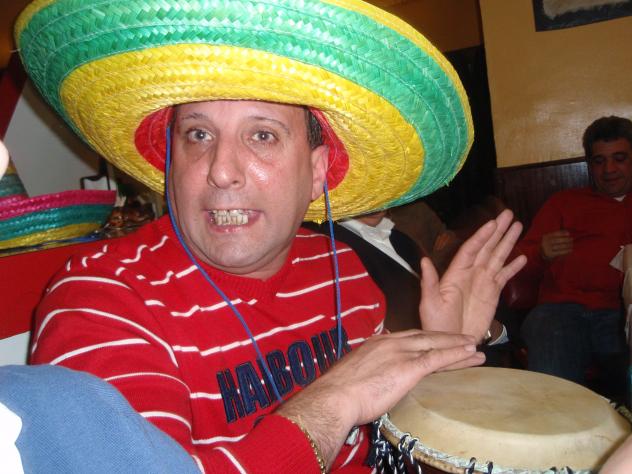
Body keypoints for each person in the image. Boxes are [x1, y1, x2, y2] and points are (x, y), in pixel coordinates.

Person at [2, 1, 526, 472]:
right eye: (198, 134)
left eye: (262, 135)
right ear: (169, 162)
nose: (221, 170)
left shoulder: (340, 266)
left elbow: (382, 438)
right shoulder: (101, 300)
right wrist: (333, 401)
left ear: (317, 173)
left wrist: (441, 353)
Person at [518, 116, 632, 399]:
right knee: (556, 394)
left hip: (622, 314)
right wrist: (540, 252)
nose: (609, 170)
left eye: (619, 159)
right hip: (561, 312)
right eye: (599, 161)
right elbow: (516, 266)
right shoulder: (563, 202)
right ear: (589, 165)